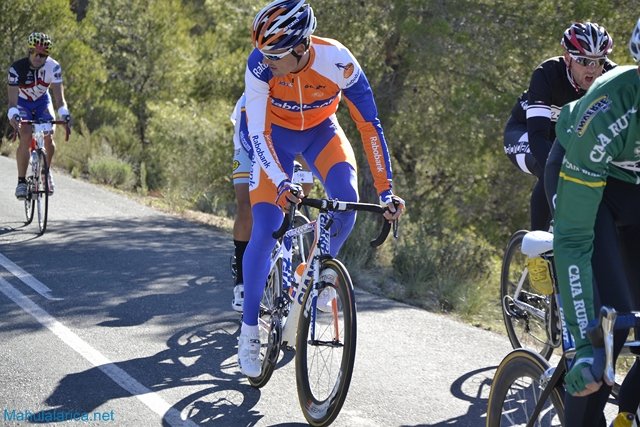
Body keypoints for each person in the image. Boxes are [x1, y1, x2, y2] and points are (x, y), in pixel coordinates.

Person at [237, 0, 405, 377]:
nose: (266, 60)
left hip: (321, 133)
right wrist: (281, 181)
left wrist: (385, 191)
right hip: (273, 139)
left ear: (301, 47)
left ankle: (312, 273)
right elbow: (258, 132)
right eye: (263, 52)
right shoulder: (259, 65)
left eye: (275, 54)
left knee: (346, 204)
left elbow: (369, 125)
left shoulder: (337, 60)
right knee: (266, 227)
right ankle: (248, 332)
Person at [550, 18, 640, 427]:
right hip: (588, 175)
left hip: (634, 186)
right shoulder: (610, 108)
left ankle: (627, 414)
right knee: (609, 326)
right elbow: (573, 239)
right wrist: (583, 345)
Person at [503, 22, 615, 231]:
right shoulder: (547, 74)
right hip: (525, 132)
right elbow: (537, 137)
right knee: (551, 168)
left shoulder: (612, 78)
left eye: (599, 61)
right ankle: (538, 243)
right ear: (567, 58)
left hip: (566, 139)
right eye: (584, 61)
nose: (592, 68)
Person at [229, 93, 314, 313]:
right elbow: (245, 133)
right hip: (250, 146)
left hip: (289, 148)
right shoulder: (254, 93)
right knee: (246, 205)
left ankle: (284, 244)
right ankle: (242, 282)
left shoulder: (303, 89)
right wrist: (267, 166)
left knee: (303, 190)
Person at [7, 32, 71, 199]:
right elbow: (12, 103)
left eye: (42, 55)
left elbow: (60, 100)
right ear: (29, 51)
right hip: (22, 102)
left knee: (49, 135)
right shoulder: (16, 69)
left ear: (47, 56)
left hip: (42, 101)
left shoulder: (53, 67)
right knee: (26, 135)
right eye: (34, 52)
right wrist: (14, 116)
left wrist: (64, 114)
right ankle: (21, 181)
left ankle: (45, 172)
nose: (37, 57)